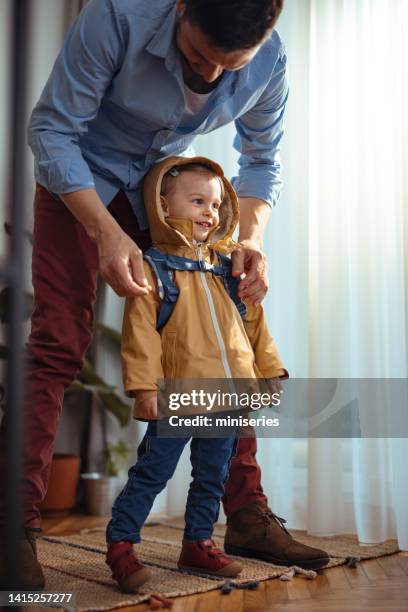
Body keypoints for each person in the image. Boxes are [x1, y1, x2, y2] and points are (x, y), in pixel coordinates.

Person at [0, 0, 329, 589]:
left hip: (166, 191)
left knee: (224, 323)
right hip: (80, 179)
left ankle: (247, 516)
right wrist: (105, 232)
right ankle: (13, 528)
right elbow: (51, 130)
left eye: (229, 68)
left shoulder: (271, 59)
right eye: (198, 57)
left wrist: (251, 238)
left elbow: (261, 161)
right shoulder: (117, 17)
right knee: (58, 342)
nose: (208, 77)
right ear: (182, 9)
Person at [106, 155, 289, 593]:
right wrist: (144, 388)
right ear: (164, 207)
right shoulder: (155, 269)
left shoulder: (230, 267)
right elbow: (140, 335)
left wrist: (267, 374)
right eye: (197, 201)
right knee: (153, 472)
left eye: (215, 203)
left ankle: (199, 542)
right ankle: (121, 544)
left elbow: (253, 323)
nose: (210, 211)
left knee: (213, 475)